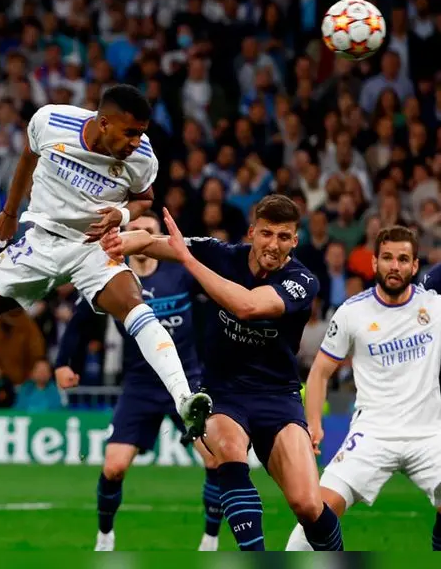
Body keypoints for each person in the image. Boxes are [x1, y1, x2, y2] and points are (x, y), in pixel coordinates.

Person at [0, 84, 212, 443]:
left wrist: (120, 214)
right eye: (130, 132)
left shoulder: (142, 157)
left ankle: (184, 399)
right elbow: (28, 157)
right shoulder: (51, 121)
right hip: (41, 240)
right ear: (103, 123)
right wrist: (11, 212)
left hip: (93, 247)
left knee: (134, 305)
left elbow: (144, 199)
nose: (136, 141)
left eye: (141, 133)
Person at [102, 194, 343, 551]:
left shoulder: (302, 281)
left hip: (278, 397)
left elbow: (247, 306)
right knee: (228, 450)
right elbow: (155, 243)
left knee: (308, 506)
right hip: (223, 393)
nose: (273, 245)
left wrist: (189, 261)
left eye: (283, 237)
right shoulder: (221, 254)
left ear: (295, 240)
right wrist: (118, 240)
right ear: (251, 232)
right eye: (266, 234)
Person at [56, 211, 223, 552]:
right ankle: (105, 537)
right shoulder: (112, 279)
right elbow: (80, 320)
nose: (140, 236)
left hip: (186, 381)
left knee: (216, 459)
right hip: (139, 385)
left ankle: (210, 539)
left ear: (159, 236)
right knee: (114, 467)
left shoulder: (180, 272)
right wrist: (64, 362)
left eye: (148, 231)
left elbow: (219, 297)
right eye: (133, 230)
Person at [286, 226, 441, 551]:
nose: (394, 266)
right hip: (372, 434)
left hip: (429, 436)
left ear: (415, 267)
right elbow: (319, 373)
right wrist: (313, 422)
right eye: (387, 258)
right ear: (374, 263)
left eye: (402, 259)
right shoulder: (353, 312)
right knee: (313, 515)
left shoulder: (434, 306)